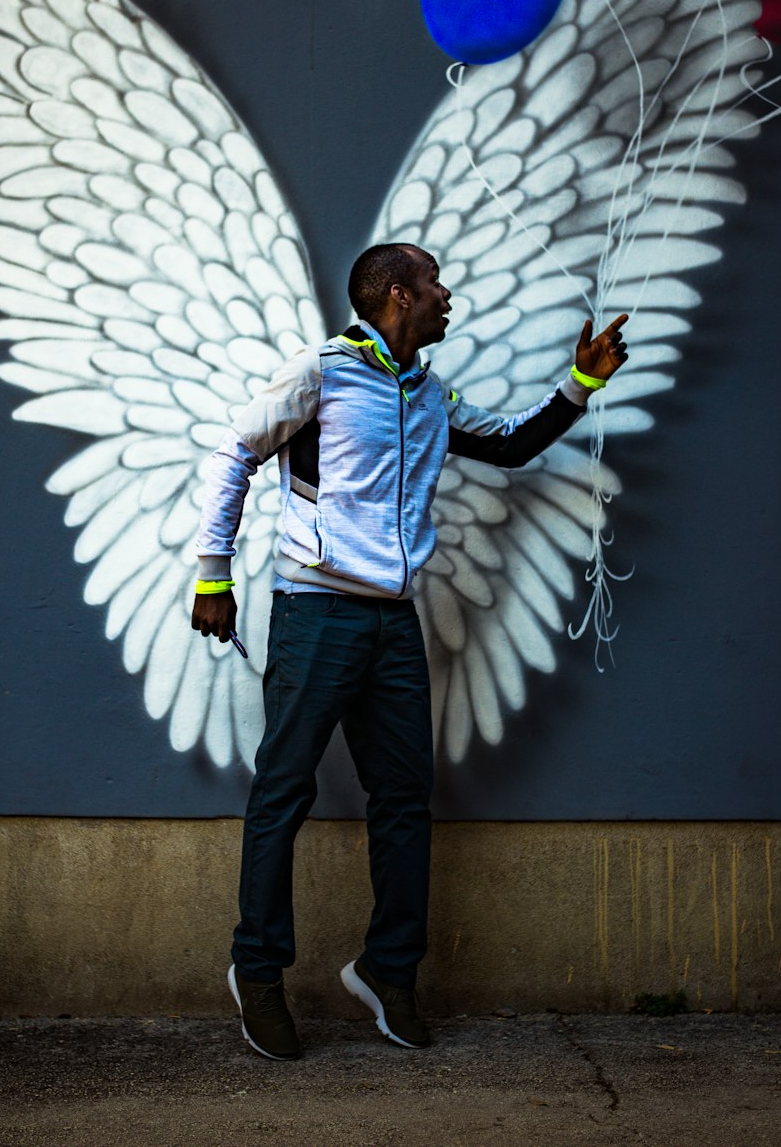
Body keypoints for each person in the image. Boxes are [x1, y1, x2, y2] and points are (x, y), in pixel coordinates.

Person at [191, 242, 628, 1059]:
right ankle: (257, 970)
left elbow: (506, 445)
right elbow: (234, 452)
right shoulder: (323, 371)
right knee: (282, 792)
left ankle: (388, 972)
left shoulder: (428, 392)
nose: (445, 292)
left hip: (394, 621)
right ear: (398, 295)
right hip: (315, 611)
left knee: (402, 801)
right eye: (433, 282)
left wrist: (582, 384)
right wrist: (213, 574)